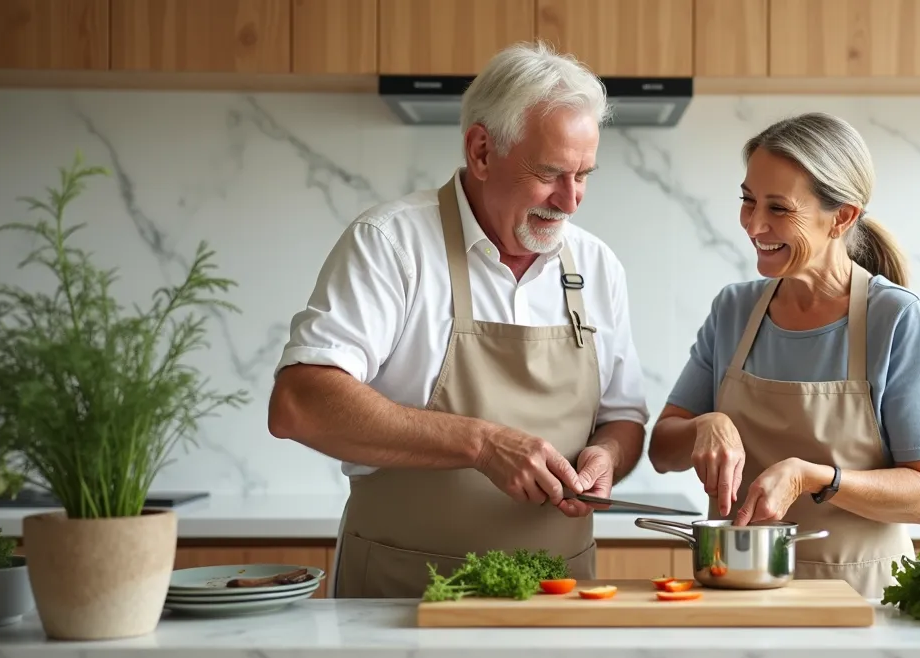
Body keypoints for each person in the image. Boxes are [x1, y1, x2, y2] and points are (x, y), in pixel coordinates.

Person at [267, 42, 650, 598]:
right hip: (401, 597)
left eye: (584, 175)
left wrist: (607, 456)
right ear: (481, 151)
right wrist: (482, 444)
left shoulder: (596, 266)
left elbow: (623, 420)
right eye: (550, 174)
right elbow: (298, 403)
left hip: (557, 599)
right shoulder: (392, 245)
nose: (570, 202)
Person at [646, 112, 920, 600]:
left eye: (778, 208)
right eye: (748, 201)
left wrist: (813, 478)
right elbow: (662, 451)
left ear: (842, 217)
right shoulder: (735, 309)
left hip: (863, 599)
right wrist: (704, 425)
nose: (754, 224)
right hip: (739, 593)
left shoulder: (896, 320)